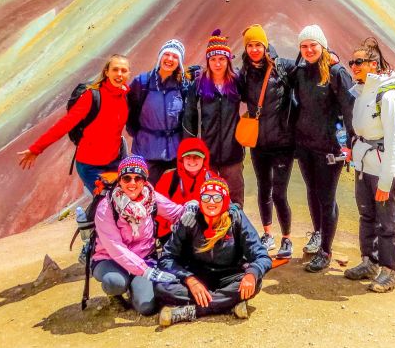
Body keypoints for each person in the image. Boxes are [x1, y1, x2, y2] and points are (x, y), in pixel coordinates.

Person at [156, 178, 272, 325]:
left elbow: (262, 256)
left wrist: (252, 274)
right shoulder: (190, 220)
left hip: (229, 275)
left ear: (225, 200)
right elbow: (166, 257)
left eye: (217, 197)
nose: (211, 202)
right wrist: (189, 279)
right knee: (161, 286)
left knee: (255, 282)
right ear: (200, 200)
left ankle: (192, 311)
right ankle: (227, 305)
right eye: (206, 197)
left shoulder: (236, 218)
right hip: (196, 274)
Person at [291, 25, 355, 273]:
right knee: (312, 192)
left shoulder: (337, 73)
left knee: (327, 198)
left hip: (330, 147)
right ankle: (318, 234)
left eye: (313, 45)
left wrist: (350, 144)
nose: (308, 50)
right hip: (305, 145)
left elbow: (349, 110)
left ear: (323, 46)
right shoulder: (300, 72)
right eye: (304, 46)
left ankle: (326, 251)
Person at [344, 38, 395, 292]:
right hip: (364, 165)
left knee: (388, 221)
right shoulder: (362, 92)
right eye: (352, 62)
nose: (354, 66)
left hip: (383, 169)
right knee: (367, 215)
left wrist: (386, 181)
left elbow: (393, 142)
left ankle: (389, 271)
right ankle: (369, 261)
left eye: (359, 62)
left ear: (373, 64)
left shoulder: (388, 96)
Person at [17, 54, 130, 192]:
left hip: (114, 161)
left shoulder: (124, 96)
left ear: (128, 73)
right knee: (106, 200)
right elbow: (63, 125)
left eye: (124, 70)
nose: (119, 74)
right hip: (90, 165)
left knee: (123, 197)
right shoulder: (92, 96)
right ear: (107, 72)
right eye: (115, 69)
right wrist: (36, 149)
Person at [91, 156, 186, 314]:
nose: (132, 183)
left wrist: (193, 208)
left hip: (144, 258)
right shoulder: (106, 207)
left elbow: (176, 213)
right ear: (119, 180)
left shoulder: (151, 198)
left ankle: (134, 288)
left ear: (144, 181)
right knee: (115, 282)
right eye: (127, 178)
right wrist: (146, 271)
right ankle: (116, 294)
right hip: (110, 259)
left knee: (146, 307)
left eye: (138, 178)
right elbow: (115, 247)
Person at [237, 24, 298, 259]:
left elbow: (306, 68)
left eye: (258, 45)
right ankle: (267, 233)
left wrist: (330, 58)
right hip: (259, 143)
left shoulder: (282, 67)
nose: (254, 49)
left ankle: (287, 238)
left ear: (265, 45)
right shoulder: (244, 73)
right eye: (250, 45)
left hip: (282, 143)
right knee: (264, 189)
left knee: (279, 192)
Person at [182, 29, 245, 206]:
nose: (217, 64)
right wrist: (191, 151)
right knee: (206, 196)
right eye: (213, 59)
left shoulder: (237, 82)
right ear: (208, 61)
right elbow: (189, 119)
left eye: (222, 59)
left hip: (233, 153)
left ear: (228, 60)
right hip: (206, 154)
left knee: (235, 199)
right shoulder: (198, 84)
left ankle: (235, 224)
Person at [127, 39, 189, 186]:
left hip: (176, 152)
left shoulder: (183, 85)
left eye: (175, 56)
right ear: (160, 56)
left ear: (180, 62)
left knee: (174, 193)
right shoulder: (142, 82)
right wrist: (139, 134)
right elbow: (130, 113)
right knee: (144, 190)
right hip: (147, 152)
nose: (170, 59)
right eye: (166, 54)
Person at [153, 137, 217, 243]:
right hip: (172, 231)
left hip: (203, 231)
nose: (192, 161)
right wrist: (171, 226)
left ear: (204, 159)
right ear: (181, 159)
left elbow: (221, 208)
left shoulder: (213, 179)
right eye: (188, 157)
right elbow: (157, 208)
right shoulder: (168, 178)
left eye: (197, 157)